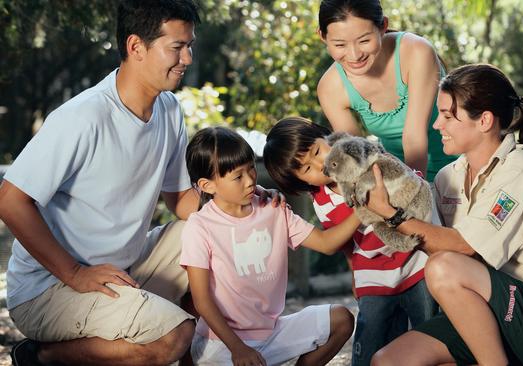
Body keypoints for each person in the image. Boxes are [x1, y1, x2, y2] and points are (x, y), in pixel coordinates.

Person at [0, 1, 278, 365]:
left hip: (122, 271)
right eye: (177, 47)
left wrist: (245, 199)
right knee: (171, 336)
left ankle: (195, 356)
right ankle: (44, 357)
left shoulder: (168, 110)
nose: (188, 58)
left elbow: (182, 201)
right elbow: (9, 200)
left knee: (207, 235)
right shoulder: (83, 117)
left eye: (190, 46)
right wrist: (75, 273)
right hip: (48, 287)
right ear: (136, 47)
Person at [364, 64, 523, 365]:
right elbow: (434, 244)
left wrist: (391, 214)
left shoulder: (520, 168)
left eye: (447, 116)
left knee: (444, 267)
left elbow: (461, 249)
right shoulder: (447, 178)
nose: (436, 125)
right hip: (489, 308)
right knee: (389, 361)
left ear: (484, 120)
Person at [264, 116, 438, 366]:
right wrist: (354, 275)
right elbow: (344, 242)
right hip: (373, 276)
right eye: (307, 169)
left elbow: (407, 184)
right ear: (300, 181)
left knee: (429, 332)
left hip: (415, 263)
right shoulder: (322, 202)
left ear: (325, 137)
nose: (320, 164)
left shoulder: (364, 160)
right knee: (369, 344)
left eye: (317, 151)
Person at [180, 126, 355, 366]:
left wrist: (365, 209)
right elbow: (202, 301)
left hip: (272, 333)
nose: (250, 180)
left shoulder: (272, 207)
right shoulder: (199, 226)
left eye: (250, 168)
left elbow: (327, 244)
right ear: (207, 185)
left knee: (341, 319)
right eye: (237, 177)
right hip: (221, 345)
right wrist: (238, 349)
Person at [317, 0, 455, 181]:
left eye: (364, 40)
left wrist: (413, 194)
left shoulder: (416, 52)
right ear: (322, 37)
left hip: (460, 167)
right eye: (340, 45)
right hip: (398, 177)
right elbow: (359, 157)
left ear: (383, 26)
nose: (354, 55)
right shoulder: (331, 88)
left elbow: (414, 137)